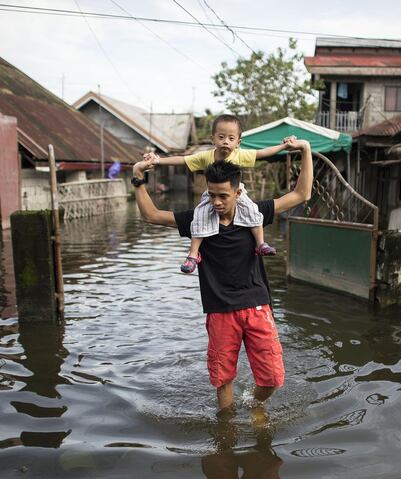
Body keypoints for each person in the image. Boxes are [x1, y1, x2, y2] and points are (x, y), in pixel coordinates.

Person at [132, 137, 314, 415]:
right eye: (212, 194)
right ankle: (226, 427)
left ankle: (255, 404)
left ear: (238, 193)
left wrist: (306, 150)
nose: (216, 202)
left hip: (256, 306)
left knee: (274, 378)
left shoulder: (254, 214)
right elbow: (152, 215)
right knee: (222, 377)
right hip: (220, 311)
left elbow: (301, 194)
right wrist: (137, 179)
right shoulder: (198, 220)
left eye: (223, 196)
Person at [142, 114, 295, 274]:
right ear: (212, 139)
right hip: (211, 195)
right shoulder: (206, 156)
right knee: (199, 215)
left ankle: (261, 244)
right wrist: (159, 160)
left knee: (253, 211)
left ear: (238, 142)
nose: (225, 142)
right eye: (221, 137)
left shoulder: (240, 154)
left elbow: (263, 153)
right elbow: (183, 160)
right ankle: (193, 254)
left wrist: (283, 147)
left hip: (237, 193)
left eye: (231, 138)